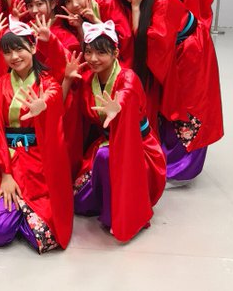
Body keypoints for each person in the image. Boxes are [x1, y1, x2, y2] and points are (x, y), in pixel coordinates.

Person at [112, 0, 223, 182]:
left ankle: (182, 169)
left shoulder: (163, 3)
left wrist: (136, 8)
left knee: (189, 106)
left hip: (191, 53)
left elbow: (152, 43)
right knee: (167, 103)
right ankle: (168, 159)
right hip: (173, 54)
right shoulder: (134, 3)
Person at [0, 17, 73, 253]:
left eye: (19, 49)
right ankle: (19, 213)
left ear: (33, 47)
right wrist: (5, 174)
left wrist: (44, 104)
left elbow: (53, 97)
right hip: (7, 160)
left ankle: (23, 214)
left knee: (48, 234)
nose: (14, 57)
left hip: (39, 164)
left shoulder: (47, 83)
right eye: (8, 52)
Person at [68, 21, 166, 242]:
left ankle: (115, 214)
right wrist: (66, 80)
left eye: (101, 53)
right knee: (79, 203)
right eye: (89, 52)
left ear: (115, 53)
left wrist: (119, 107)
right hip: (106, 142)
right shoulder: (89, 79)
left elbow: (126, 94)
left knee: (106, 156)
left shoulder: (128, 77)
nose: (93, 58)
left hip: (138, 149)